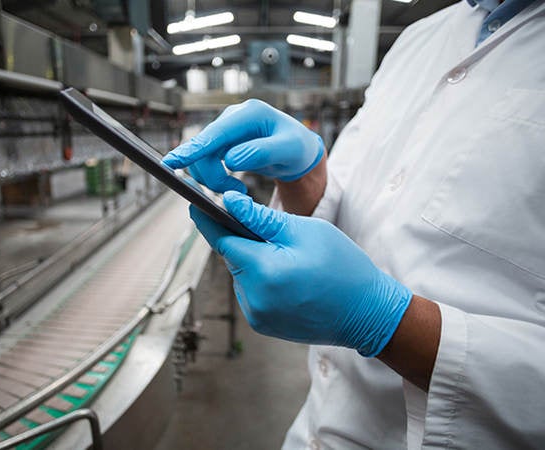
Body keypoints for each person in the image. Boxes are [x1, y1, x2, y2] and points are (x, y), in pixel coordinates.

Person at [162, 0, 545, 448]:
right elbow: (365, 200)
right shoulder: (419, 38)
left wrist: (384, 321)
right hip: (315, 428)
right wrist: (306, 177)